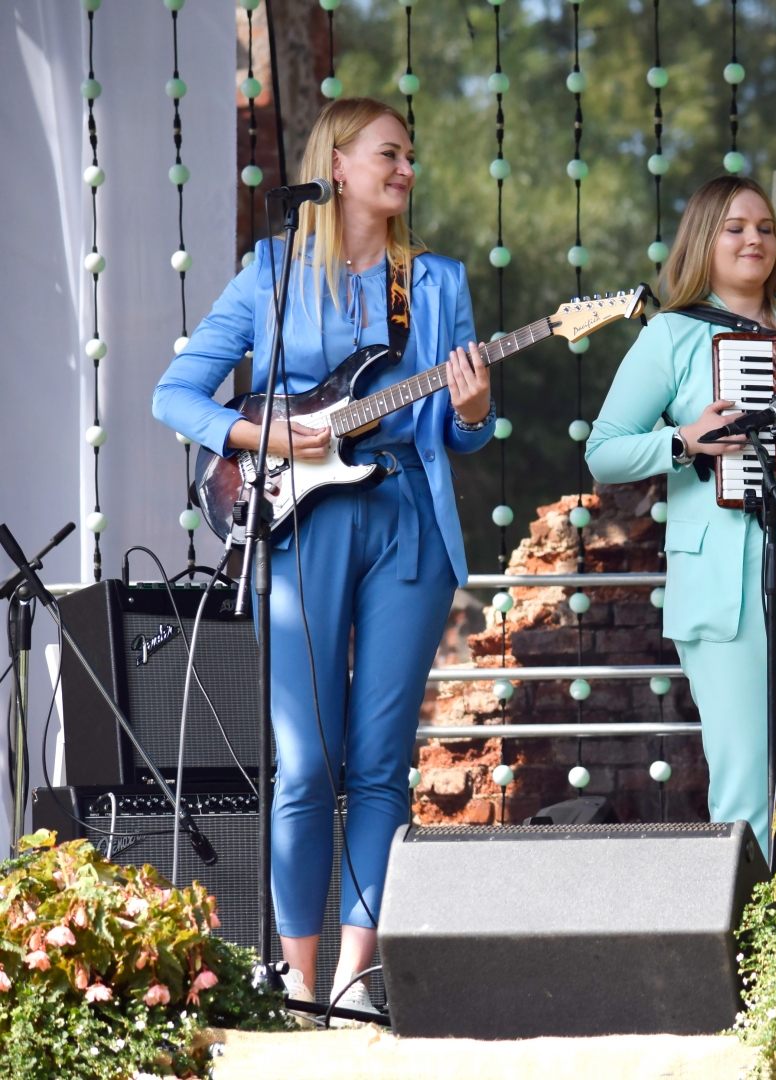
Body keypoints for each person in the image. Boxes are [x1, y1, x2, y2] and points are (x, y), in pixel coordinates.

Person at [153, 98, 493, 1012]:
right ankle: (297, 981)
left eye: (411, 157)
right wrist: (259, 434)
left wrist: (471, 412)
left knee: (380, 762)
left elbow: (460, 431)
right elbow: (174, 394)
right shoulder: (271, 272)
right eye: (389, 153)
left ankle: (356, 979)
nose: (405, 169)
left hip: (408, 521)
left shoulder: (435, 282)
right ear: (336, 165)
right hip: (300, 526)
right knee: (305, 763)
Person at [585, 175, 776, 844]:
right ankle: (750, 914)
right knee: (744, 782)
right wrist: (685, 441)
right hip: (724, 571)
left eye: (766, 228)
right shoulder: (673, 334)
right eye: (736, 228)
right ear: (703, 242)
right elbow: (604, 452)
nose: (755, 239)